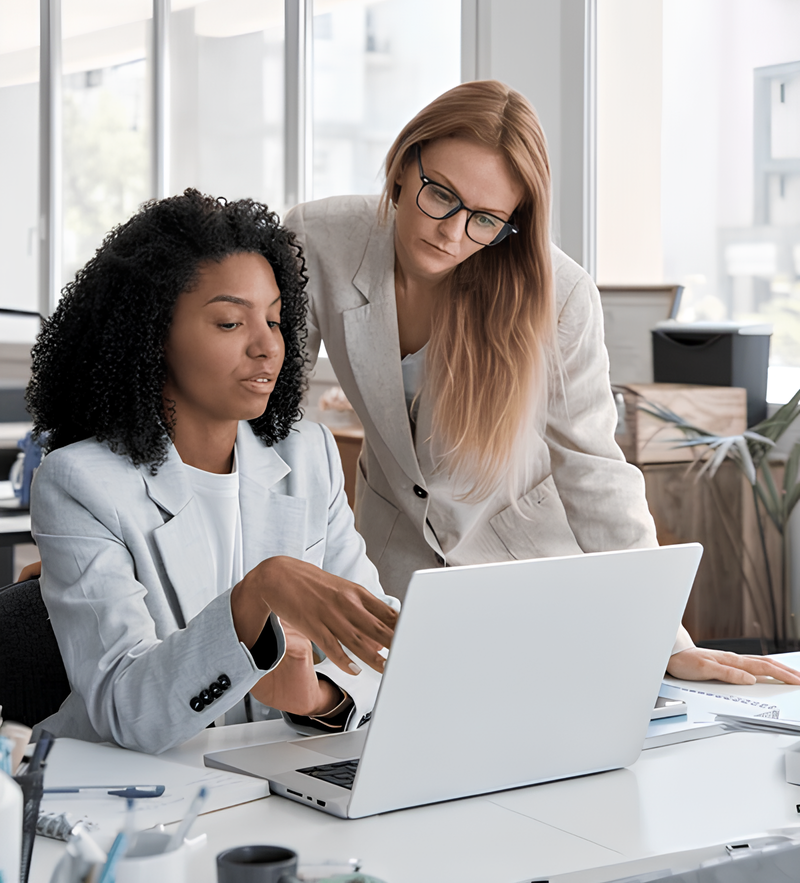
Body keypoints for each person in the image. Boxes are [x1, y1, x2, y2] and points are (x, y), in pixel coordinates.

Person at [286, 80, 800, 688]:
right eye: (440, 196)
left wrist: (662, 633)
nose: (453, 233)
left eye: (485, 219)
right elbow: (272, 418)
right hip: (389, 559)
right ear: (404, 165)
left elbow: (593, 468)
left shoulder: (559, 294)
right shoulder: (318, 240)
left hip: (524, 565)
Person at [26, 190, 398, 754]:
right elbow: (127, 710)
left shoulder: (309, 455)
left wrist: (320, 697)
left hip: (267, 780)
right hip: (119, 792)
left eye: (273, 320)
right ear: (152, 333)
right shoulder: (80, 484)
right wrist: (259, 593)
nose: (265, 346)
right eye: (229, 322)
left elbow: (385, 646)